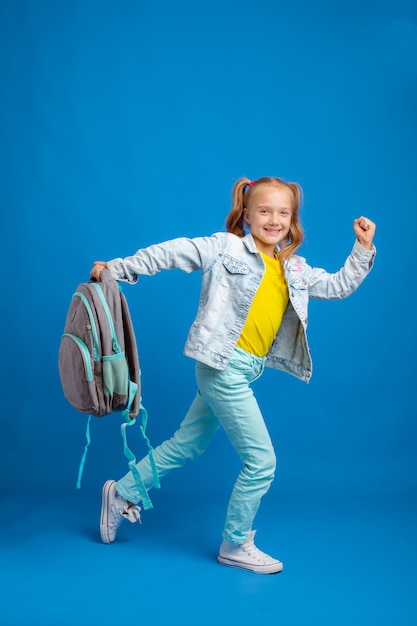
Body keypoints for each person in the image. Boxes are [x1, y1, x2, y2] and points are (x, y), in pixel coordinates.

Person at [90, 176, 376, 574]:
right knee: (261, 462)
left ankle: (122, 492)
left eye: (283, 213)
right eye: (264, 211)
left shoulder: (293, 269)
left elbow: (338, 286)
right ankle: (235, 542)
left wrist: (361, 248)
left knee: (186, 444)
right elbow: (172, 252)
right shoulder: (225, 248)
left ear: (292, 221)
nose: (273, 220)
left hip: (241, 371)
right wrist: (117, 269)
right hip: (222, 366)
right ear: (246, 214)